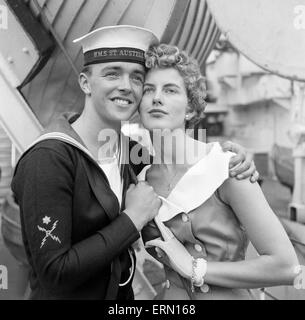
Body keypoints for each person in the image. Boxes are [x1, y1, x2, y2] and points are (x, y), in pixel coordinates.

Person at [11, 26, 258, 300]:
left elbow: (180, 169)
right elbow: (54, 273)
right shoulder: (49, 159)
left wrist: (228, 155)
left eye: (137, 77)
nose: (126, 86)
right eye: (112, 73)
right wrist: (133, 218)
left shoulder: (129, 152)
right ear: (84, 82)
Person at [139, 44, 299, 300]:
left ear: (190, 109)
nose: (157, 98)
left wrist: (195, 268)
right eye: (149, 90)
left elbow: (286, 266)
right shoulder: (139, 180)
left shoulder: (225, 167)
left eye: (170, 90)